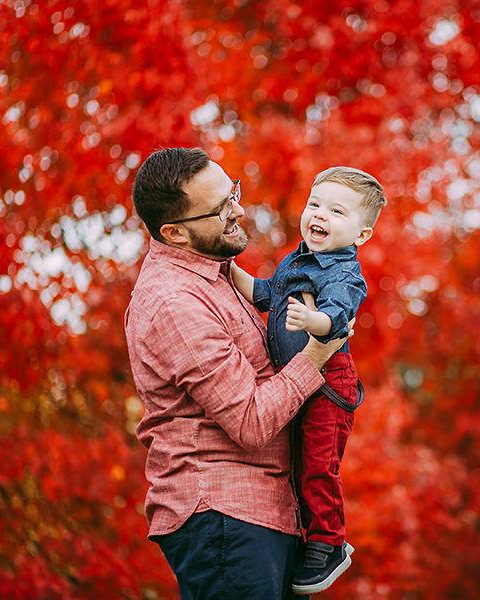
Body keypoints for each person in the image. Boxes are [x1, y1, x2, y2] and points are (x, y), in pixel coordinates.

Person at [124, 147, 350, 600]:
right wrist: (320, 353)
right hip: (224, 518)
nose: (238, 210)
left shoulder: (218, 273)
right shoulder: (176, 304)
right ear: (175, 233)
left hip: (262, 514)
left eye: (233, 193)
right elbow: (250, 421)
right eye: (221, 207)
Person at [230, 166, 386, 595]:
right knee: (295, 461)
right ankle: (306, 533)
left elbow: (339, 316)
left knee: (319, 462)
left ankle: (329, 542)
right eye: (315, 204)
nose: (320, 214)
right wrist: (229, 271)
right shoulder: (295, 261)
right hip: (296, 378)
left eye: (337, 211)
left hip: (328, 384)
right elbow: (266, 293)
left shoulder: (343, 272)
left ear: (361, 235)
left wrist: (312, 319)